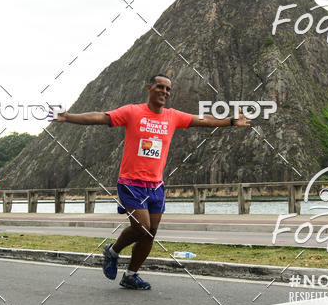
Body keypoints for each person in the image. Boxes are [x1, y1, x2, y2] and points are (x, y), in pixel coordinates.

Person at [54, 74, 249, 290]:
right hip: (130, 183)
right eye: (160, 87)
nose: (164, 92)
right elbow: (100, 117)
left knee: (151, 233)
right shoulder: (132, 112)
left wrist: (231, 121)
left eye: (168, 89)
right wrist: (68, 116)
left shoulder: (172, 116)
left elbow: (203, 121)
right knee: (143, 228)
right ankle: (112, 251)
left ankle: (131, 275)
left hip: (155, 185)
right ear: (149, 88)